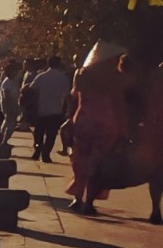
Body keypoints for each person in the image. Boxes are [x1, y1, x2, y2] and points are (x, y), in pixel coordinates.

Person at [67, 42, 131, 214]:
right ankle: (89, 202)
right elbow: (119, 104)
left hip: (83, 120)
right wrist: (125, 127)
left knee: (80, 160)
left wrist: (68, 119)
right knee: (98, 163)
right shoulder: (115, 77)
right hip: (106, 123)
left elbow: (73, 98)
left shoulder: (81, 73)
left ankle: (76, 198)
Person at [29, 57, 73, 161]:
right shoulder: (63, 78)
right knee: (51, 134)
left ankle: (37, 149)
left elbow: (32, 88)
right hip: (55, 110)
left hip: (41, 109)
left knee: (38, 132)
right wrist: (69, 109)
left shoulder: (41, 76)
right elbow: (67, 95)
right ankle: (46, 154)